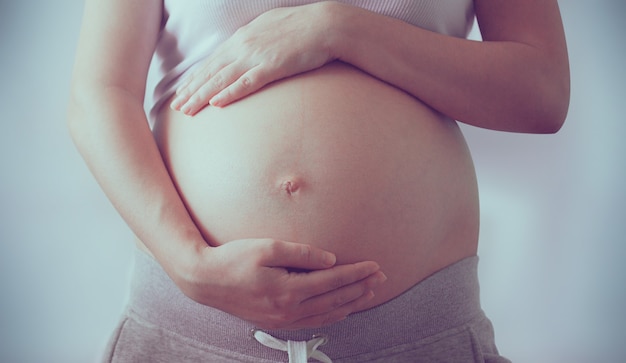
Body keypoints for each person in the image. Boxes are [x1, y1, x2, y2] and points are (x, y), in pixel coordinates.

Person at [67, 0, 569, 362]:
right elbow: (100, 92)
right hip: (190, 330)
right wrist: (188, 264)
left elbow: (541, 90)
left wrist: (338, 28)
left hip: (414, 334)